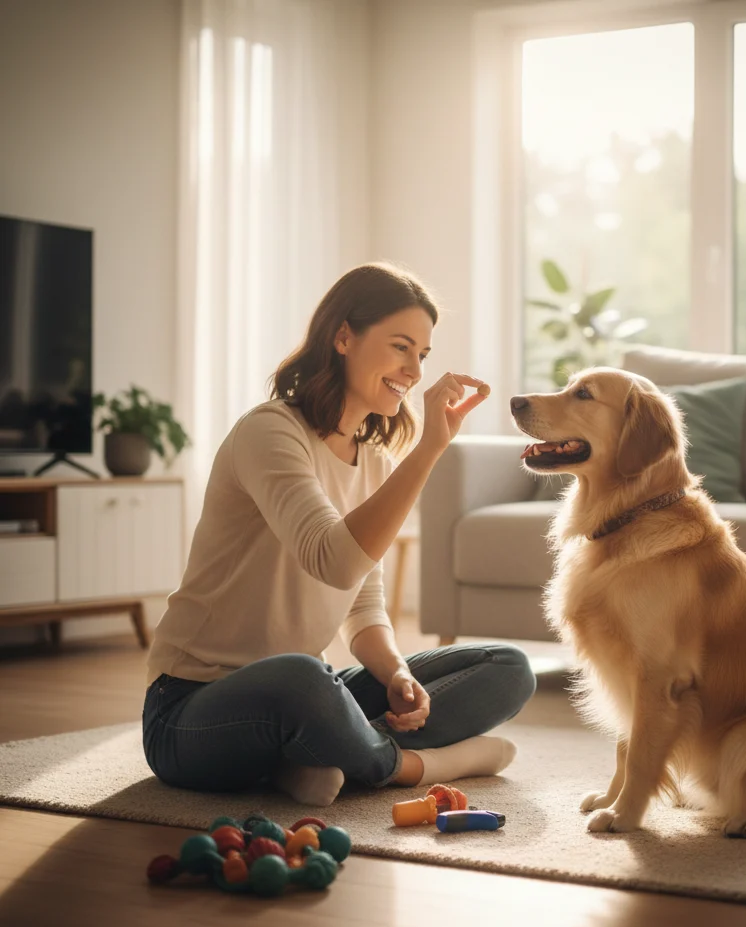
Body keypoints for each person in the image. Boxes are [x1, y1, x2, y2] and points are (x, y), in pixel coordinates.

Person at [142, 263, 536, 806]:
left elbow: (362, 601)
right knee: (302, 679)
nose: (414, 371)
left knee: (507, 668)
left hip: (304, 692)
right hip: (190, 709)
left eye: (422, 355)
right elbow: (333, 562)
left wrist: (396, 673)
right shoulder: (270, 432)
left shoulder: (373, 461)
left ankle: (310, 757)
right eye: (401, 347)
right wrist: (428, 450)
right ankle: (407, 766)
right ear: (344, 336)